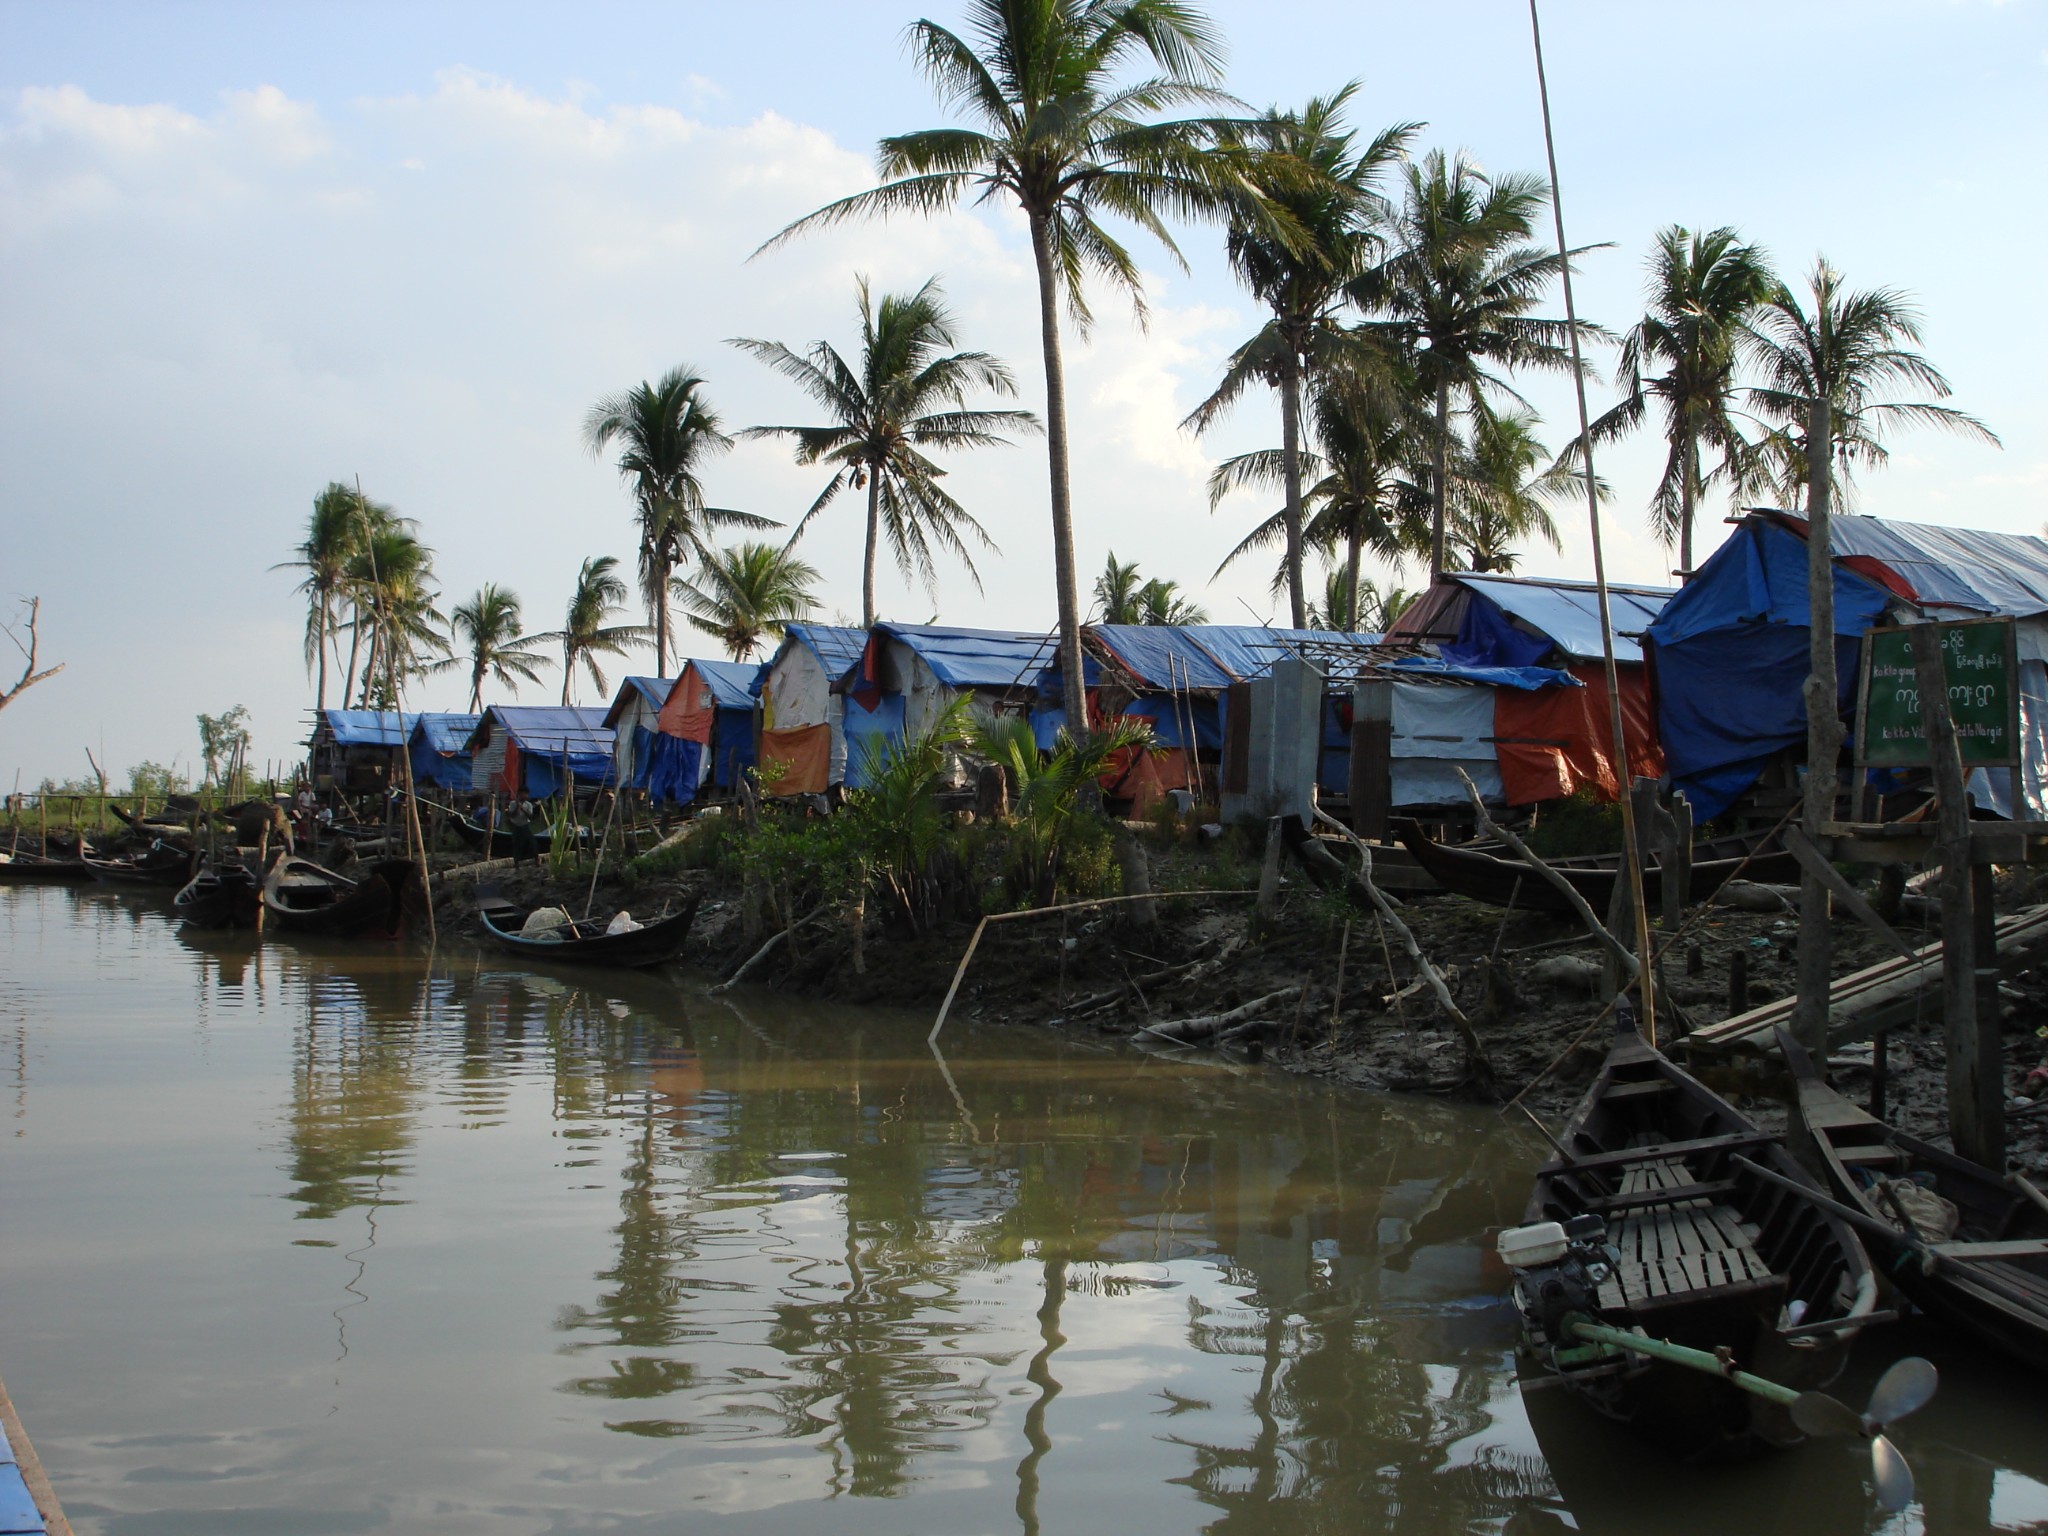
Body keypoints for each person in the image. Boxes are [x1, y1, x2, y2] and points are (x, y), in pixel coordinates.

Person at [505, 794, 539, 866]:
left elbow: (530, 817)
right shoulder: (513, 803)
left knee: (532, 842)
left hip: (525, 826)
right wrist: (517, 807)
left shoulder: (528, 804)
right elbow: (512, 815)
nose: (524, 796)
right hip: (516, 826)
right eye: (522, 794)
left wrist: (522, 809)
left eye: (526, 794)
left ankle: (537, 859)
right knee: (516, 844)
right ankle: (516, 862)